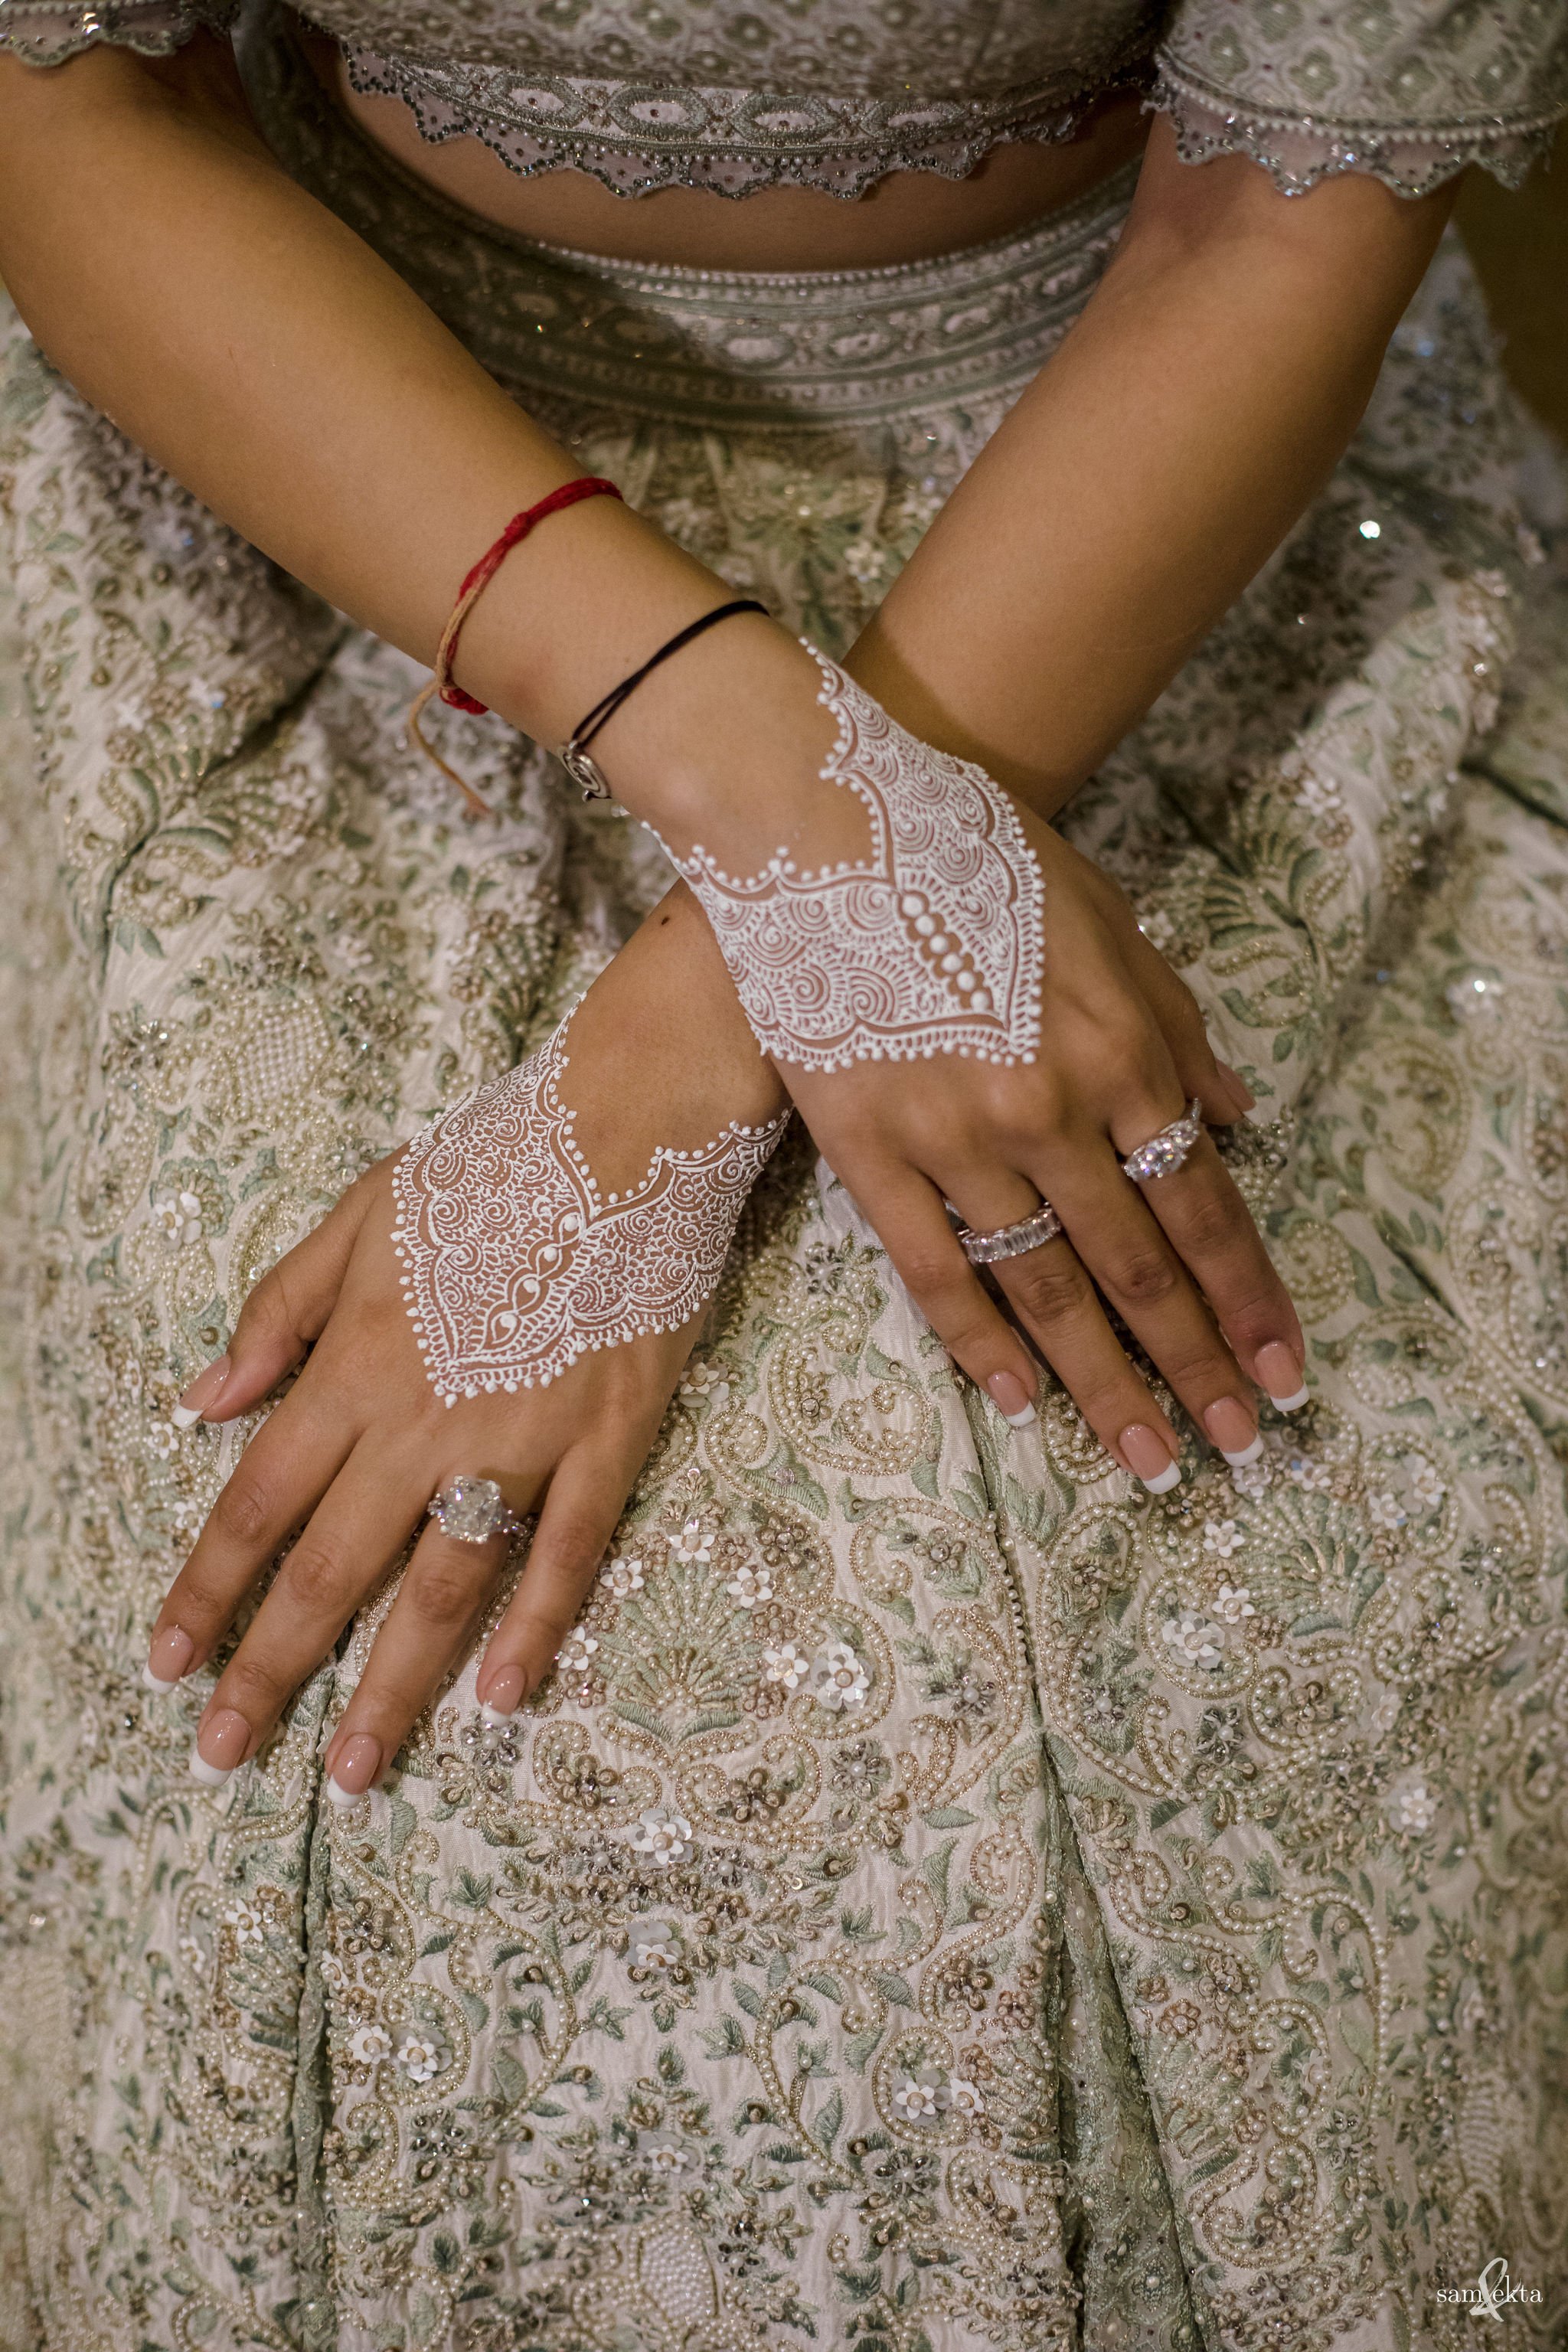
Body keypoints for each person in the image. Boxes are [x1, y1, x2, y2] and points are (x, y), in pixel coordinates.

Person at [1, 0, 1565, 2340]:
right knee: (353, 1695)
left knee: (1309, 1632)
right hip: (338, 455)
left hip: (1140, 498)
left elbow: (1276, 219)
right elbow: (59, 100)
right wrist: (761, 772)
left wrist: (679, 1047)